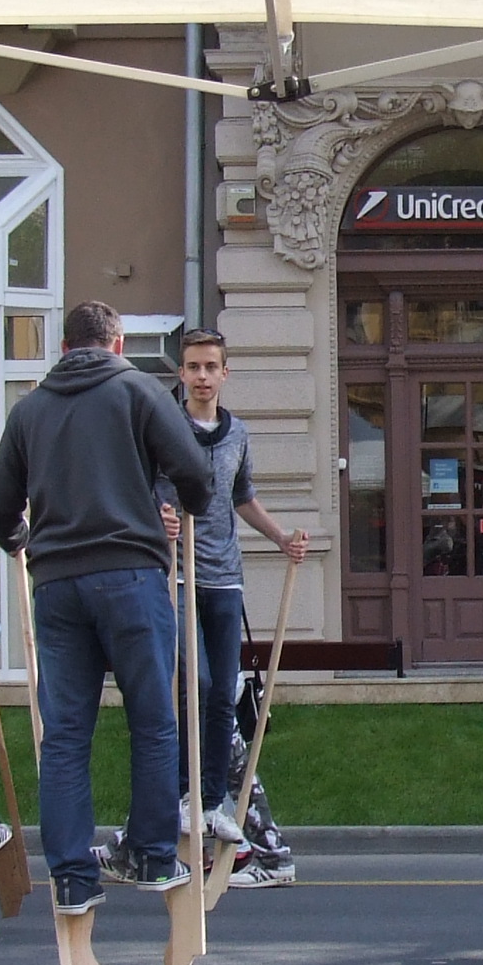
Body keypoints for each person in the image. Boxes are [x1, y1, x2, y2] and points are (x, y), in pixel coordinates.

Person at [0, 302, 212, 910]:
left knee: (64, 735)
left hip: (57, 584)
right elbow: (194, 471)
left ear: (64, 346)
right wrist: (187, 502)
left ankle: (72, 878)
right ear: (118, 344)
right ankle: (153, 856)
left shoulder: (29, 409)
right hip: (131, 574)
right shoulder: (139, 391)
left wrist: (21, 539)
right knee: (153, 721)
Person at [176, 330, 306, 849]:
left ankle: (212, 802)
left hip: (225, 576)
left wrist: (280, 538)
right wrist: (158, 520)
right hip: (178, 575)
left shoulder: (238, 434)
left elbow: (242, 496)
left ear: (225, 374)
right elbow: (143, 492)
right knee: (197, 683)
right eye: (193, 367)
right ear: (181, 374)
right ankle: (184, 795)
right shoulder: (165, 430)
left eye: (211, 367)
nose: (202, 376)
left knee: (223, 691)